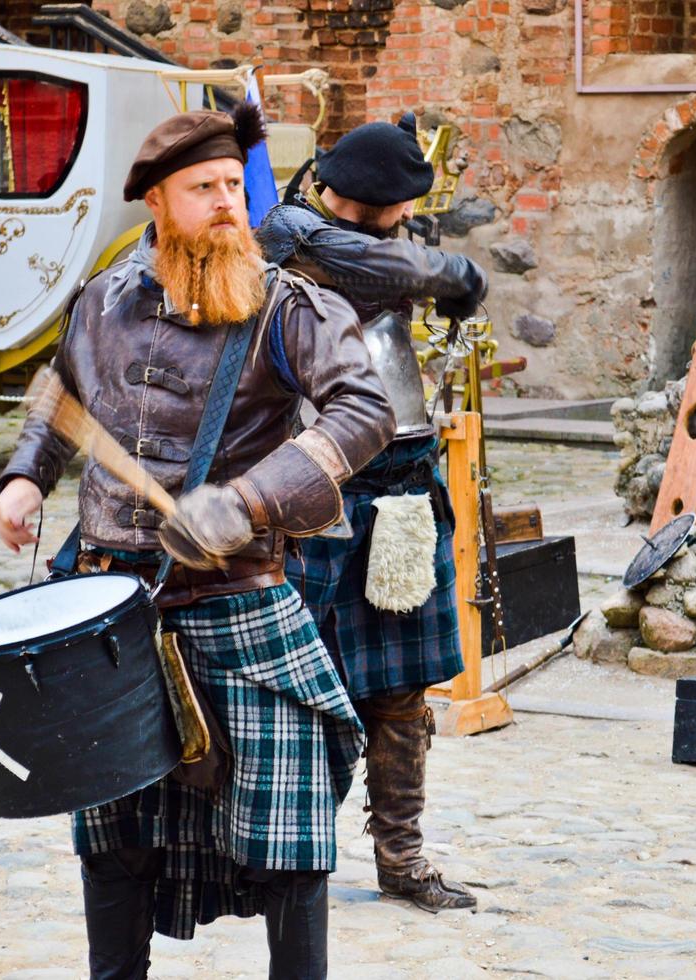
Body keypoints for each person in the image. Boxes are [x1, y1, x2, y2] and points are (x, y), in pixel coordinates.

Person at [0, 102, 395, 979]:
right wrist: (28, 475)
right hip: (110, 610)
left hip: (237, 602)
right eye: (201, 188)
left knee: (290, 834)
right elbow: (60, 393)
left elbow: (364, 411)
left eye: (231, 186)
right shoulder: (102, 300)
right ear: (159, 205)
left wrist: (246, 501)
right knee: (116, 833)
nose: (225, 203)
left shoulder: (291, 307)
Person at [257, 114, 489, 912]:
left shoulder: (391, 249)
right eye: (400, 208)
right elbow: (382, 267)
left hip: (402, 476)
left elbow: (447, 279)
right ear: (371, 202)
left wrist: (433, 268)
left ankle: (402, 859)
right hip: (314, 482)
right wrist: (434, 268)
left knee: (400, 690)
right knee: (305, 682)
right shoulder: (289, 232)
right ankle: (293, 851)